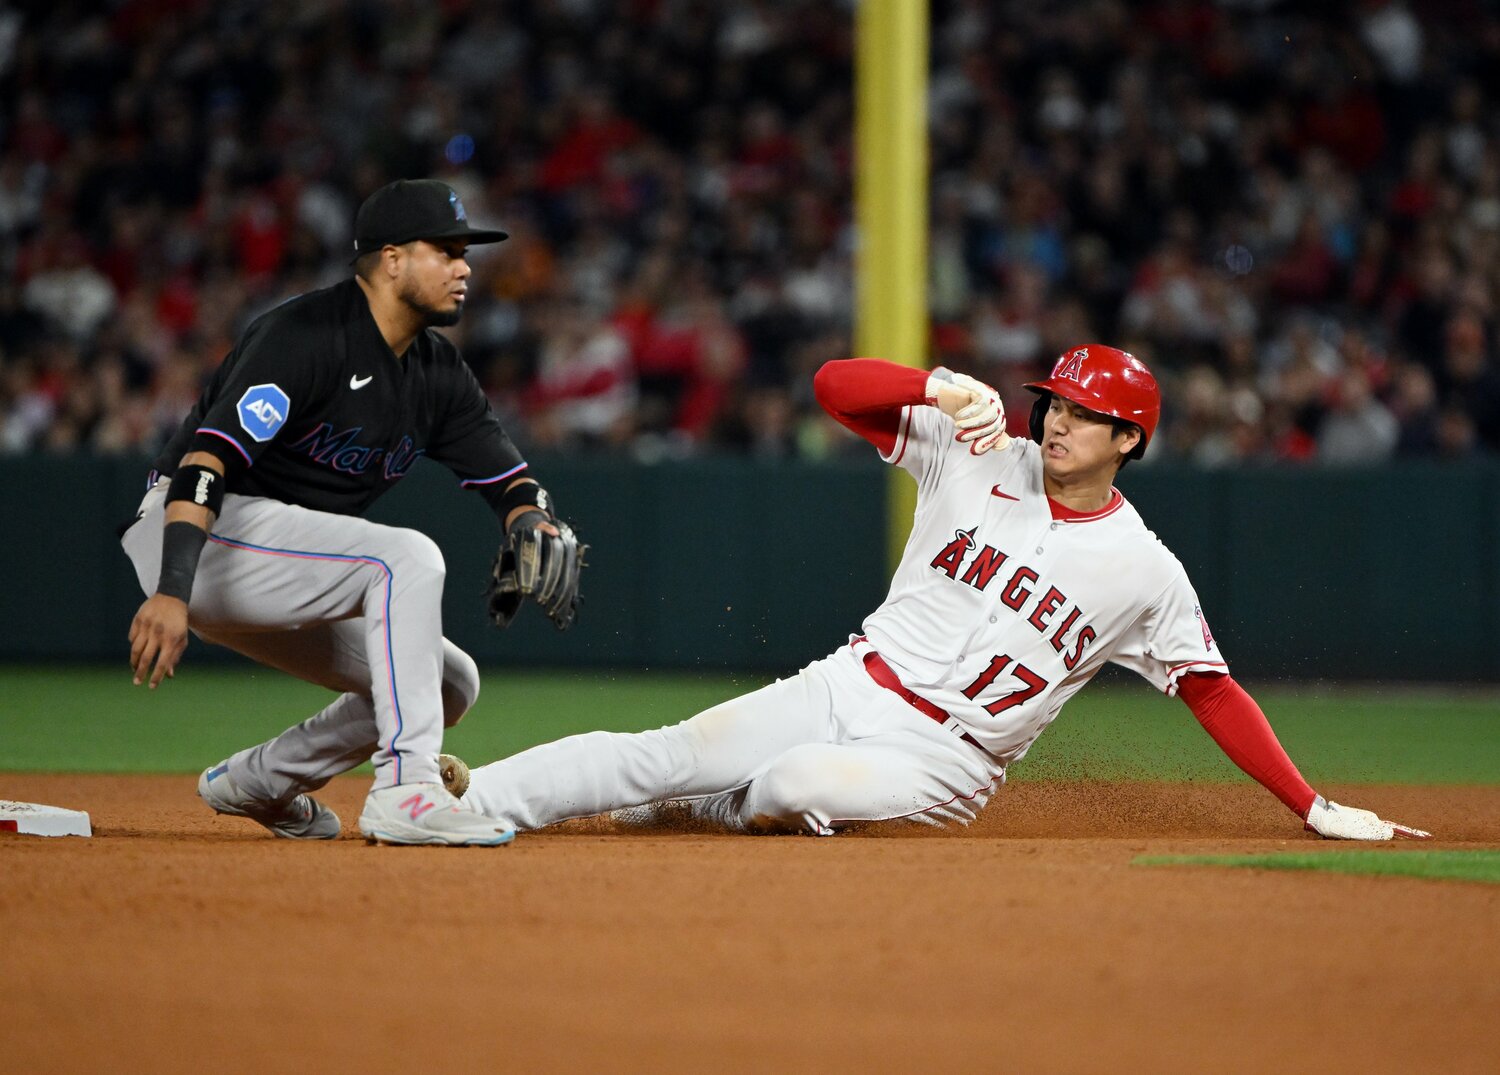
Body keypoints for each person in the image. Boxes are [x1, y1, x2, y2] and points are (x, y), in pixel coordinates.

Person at [444, 346, 1429, 842]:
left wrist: (1309, 803)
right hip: (851, 680)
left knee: (794, 785)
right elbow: (834, 385)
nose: (1059, 422)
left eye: (1090, 415)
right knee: (667, 749)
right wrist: (933, 384)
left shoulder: (1145, 569)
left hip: (943, 762)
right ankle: (471, 798)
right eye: (1056, 402)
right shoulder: (979, 453)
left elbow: (1211, 688)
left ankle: (695, 811)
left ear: (1131, 440)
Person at [121, 179, 583, 846]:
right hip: (196, 532)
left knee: (451, 682)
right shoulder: (303, 335)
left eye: (466, 253)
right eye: (447, 250)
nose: (465, 267)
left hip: (287, 561)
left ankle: (260, 779)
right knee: (404, 557)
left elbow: (510, 480)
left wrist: (531, 520)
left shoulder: (437, 375)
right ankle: (406, 788)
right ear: (392, 259)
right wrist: (171, 589)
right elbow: (205, 463)